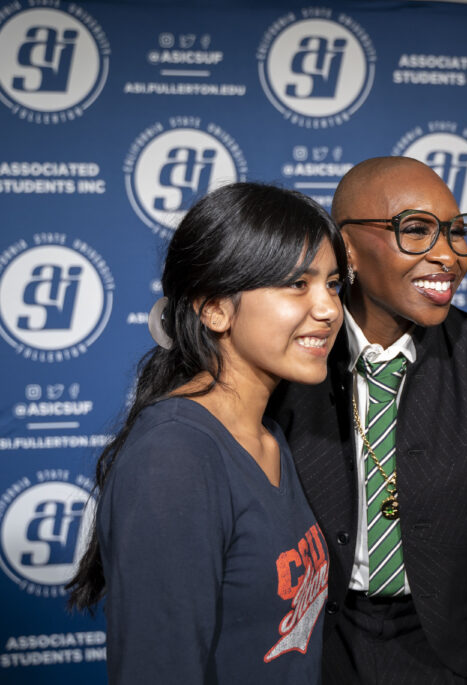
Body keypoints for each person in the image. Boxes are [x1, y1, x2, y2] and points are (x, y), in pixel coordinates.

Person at [267, 156, 467, 685]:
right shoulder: (287, 357)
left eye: (458, 233)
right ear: (346, 247)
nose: (448, 255)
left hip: (441, 646)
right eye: (415, 230)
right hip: (311, 644)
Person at [66, 182, 344, 684]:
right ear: (214, 308)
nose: (328, 309)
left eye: (333, 284)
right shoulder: (174, 457)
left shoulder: (268, 435)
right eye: (298, 284)